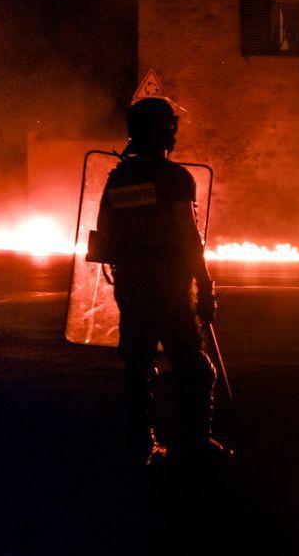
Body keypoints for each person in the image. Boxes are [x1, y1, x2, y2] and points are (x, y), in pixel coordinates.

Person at [92, 97, 230, 466]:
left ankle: (142, 445)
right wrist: (205, 286)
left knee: (137, 366)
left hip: (132, 285)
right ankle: (195, 444)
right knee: (194, 367)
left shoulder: (118, 178)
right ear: (166, 131)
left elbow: (104, 236)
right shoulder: (175, 179)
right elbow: (188, 237)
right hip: (169, 285)